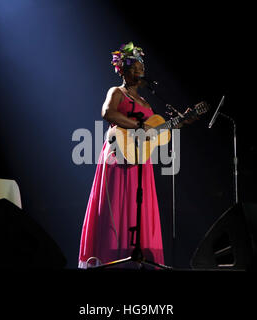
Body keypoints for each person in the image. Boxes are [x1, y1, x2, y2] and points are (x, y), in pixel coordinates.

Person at [78, 42, 194, 268]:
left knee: (138, 208)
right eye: (135, 65)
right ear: (123, 70)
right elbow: (107, 112)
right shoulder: (117, 92)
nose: (140, 69)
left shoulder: (146, 101)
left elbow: (156, 131)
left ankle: (138, 259)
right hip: (119, 157)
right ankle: (113, 257)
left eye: (141, 65)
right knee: (118, 207)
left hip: (140, 160)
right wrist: (138, 126)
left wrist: (180, 122)